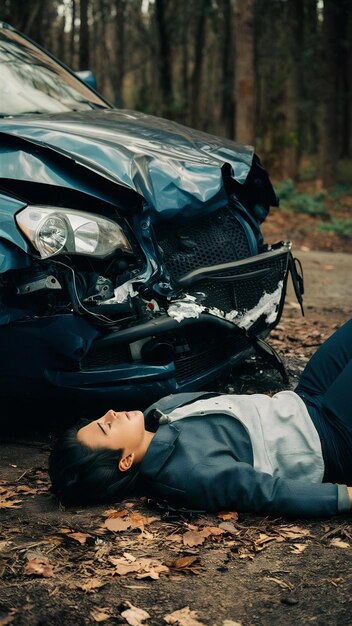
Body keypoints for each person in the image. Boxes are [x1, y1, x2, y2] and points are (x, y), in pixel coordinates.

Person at [49, 320, 352, 518]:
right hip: (330, 437)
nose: (110, 414)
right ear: (124, 460)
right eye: (106, 427)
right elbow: (270, 494)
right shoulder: (187, 472)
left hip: (304, 401)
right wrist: (345, 497)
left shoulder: (158, 420)